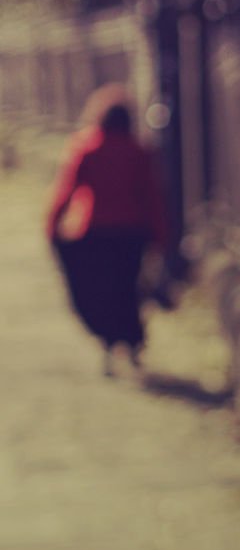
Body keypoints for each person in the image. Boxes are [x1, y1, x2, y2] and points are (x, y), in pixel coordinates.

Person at [47, 85, 167, 375]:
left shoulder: (86, 147)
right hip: (131, 235)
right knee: (126, 289)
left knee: (101, 291)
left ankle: (111, 343)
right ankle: (130, 342)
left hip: (96, 234)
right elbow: (152, 197)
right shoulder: (138, 151)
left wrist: (53, 226)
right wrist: (162, 237)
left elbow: (65, 192)